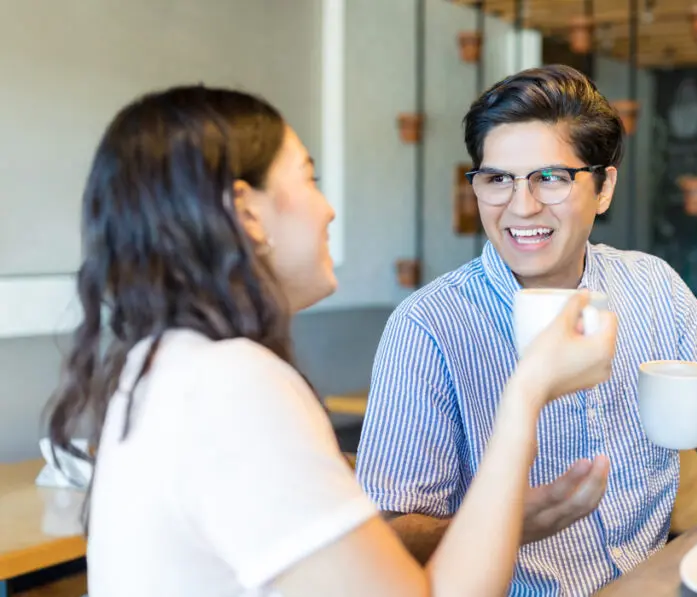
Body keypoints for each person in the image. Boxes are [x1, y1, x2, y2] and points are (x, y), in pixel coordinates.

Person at [44, 84, 618, 597]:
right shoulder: (229, 385)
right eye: (310, 179)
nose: (329, 209)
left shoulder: (167, 364)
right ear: (246, 211)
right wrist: (527, 391)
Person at [355, 64, 697, 596]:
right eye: (497, 179)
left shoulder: (654, 287)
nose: (521, 206)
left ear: (604, 188)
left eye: (550, 178)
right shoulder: (429, 327)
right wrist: (514, 521)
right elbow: (386, 539)